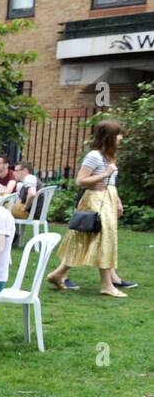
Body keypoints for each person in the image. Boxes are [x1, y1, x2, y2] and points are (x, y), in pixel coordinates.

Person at [48, 120, 135, 296]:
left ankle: (59, 274)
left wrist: (117, 200)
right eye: (118, 134)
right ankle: (107, 285)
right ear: (109, 137)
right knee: (102, 239)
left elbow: (110, 182)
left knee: (94, 239)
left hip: (107, 199)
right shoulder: (94, 156)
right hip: (95, 201)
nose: (121, 137)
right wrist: (104, 174)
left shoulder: (109, 156)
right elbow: (80, 181)